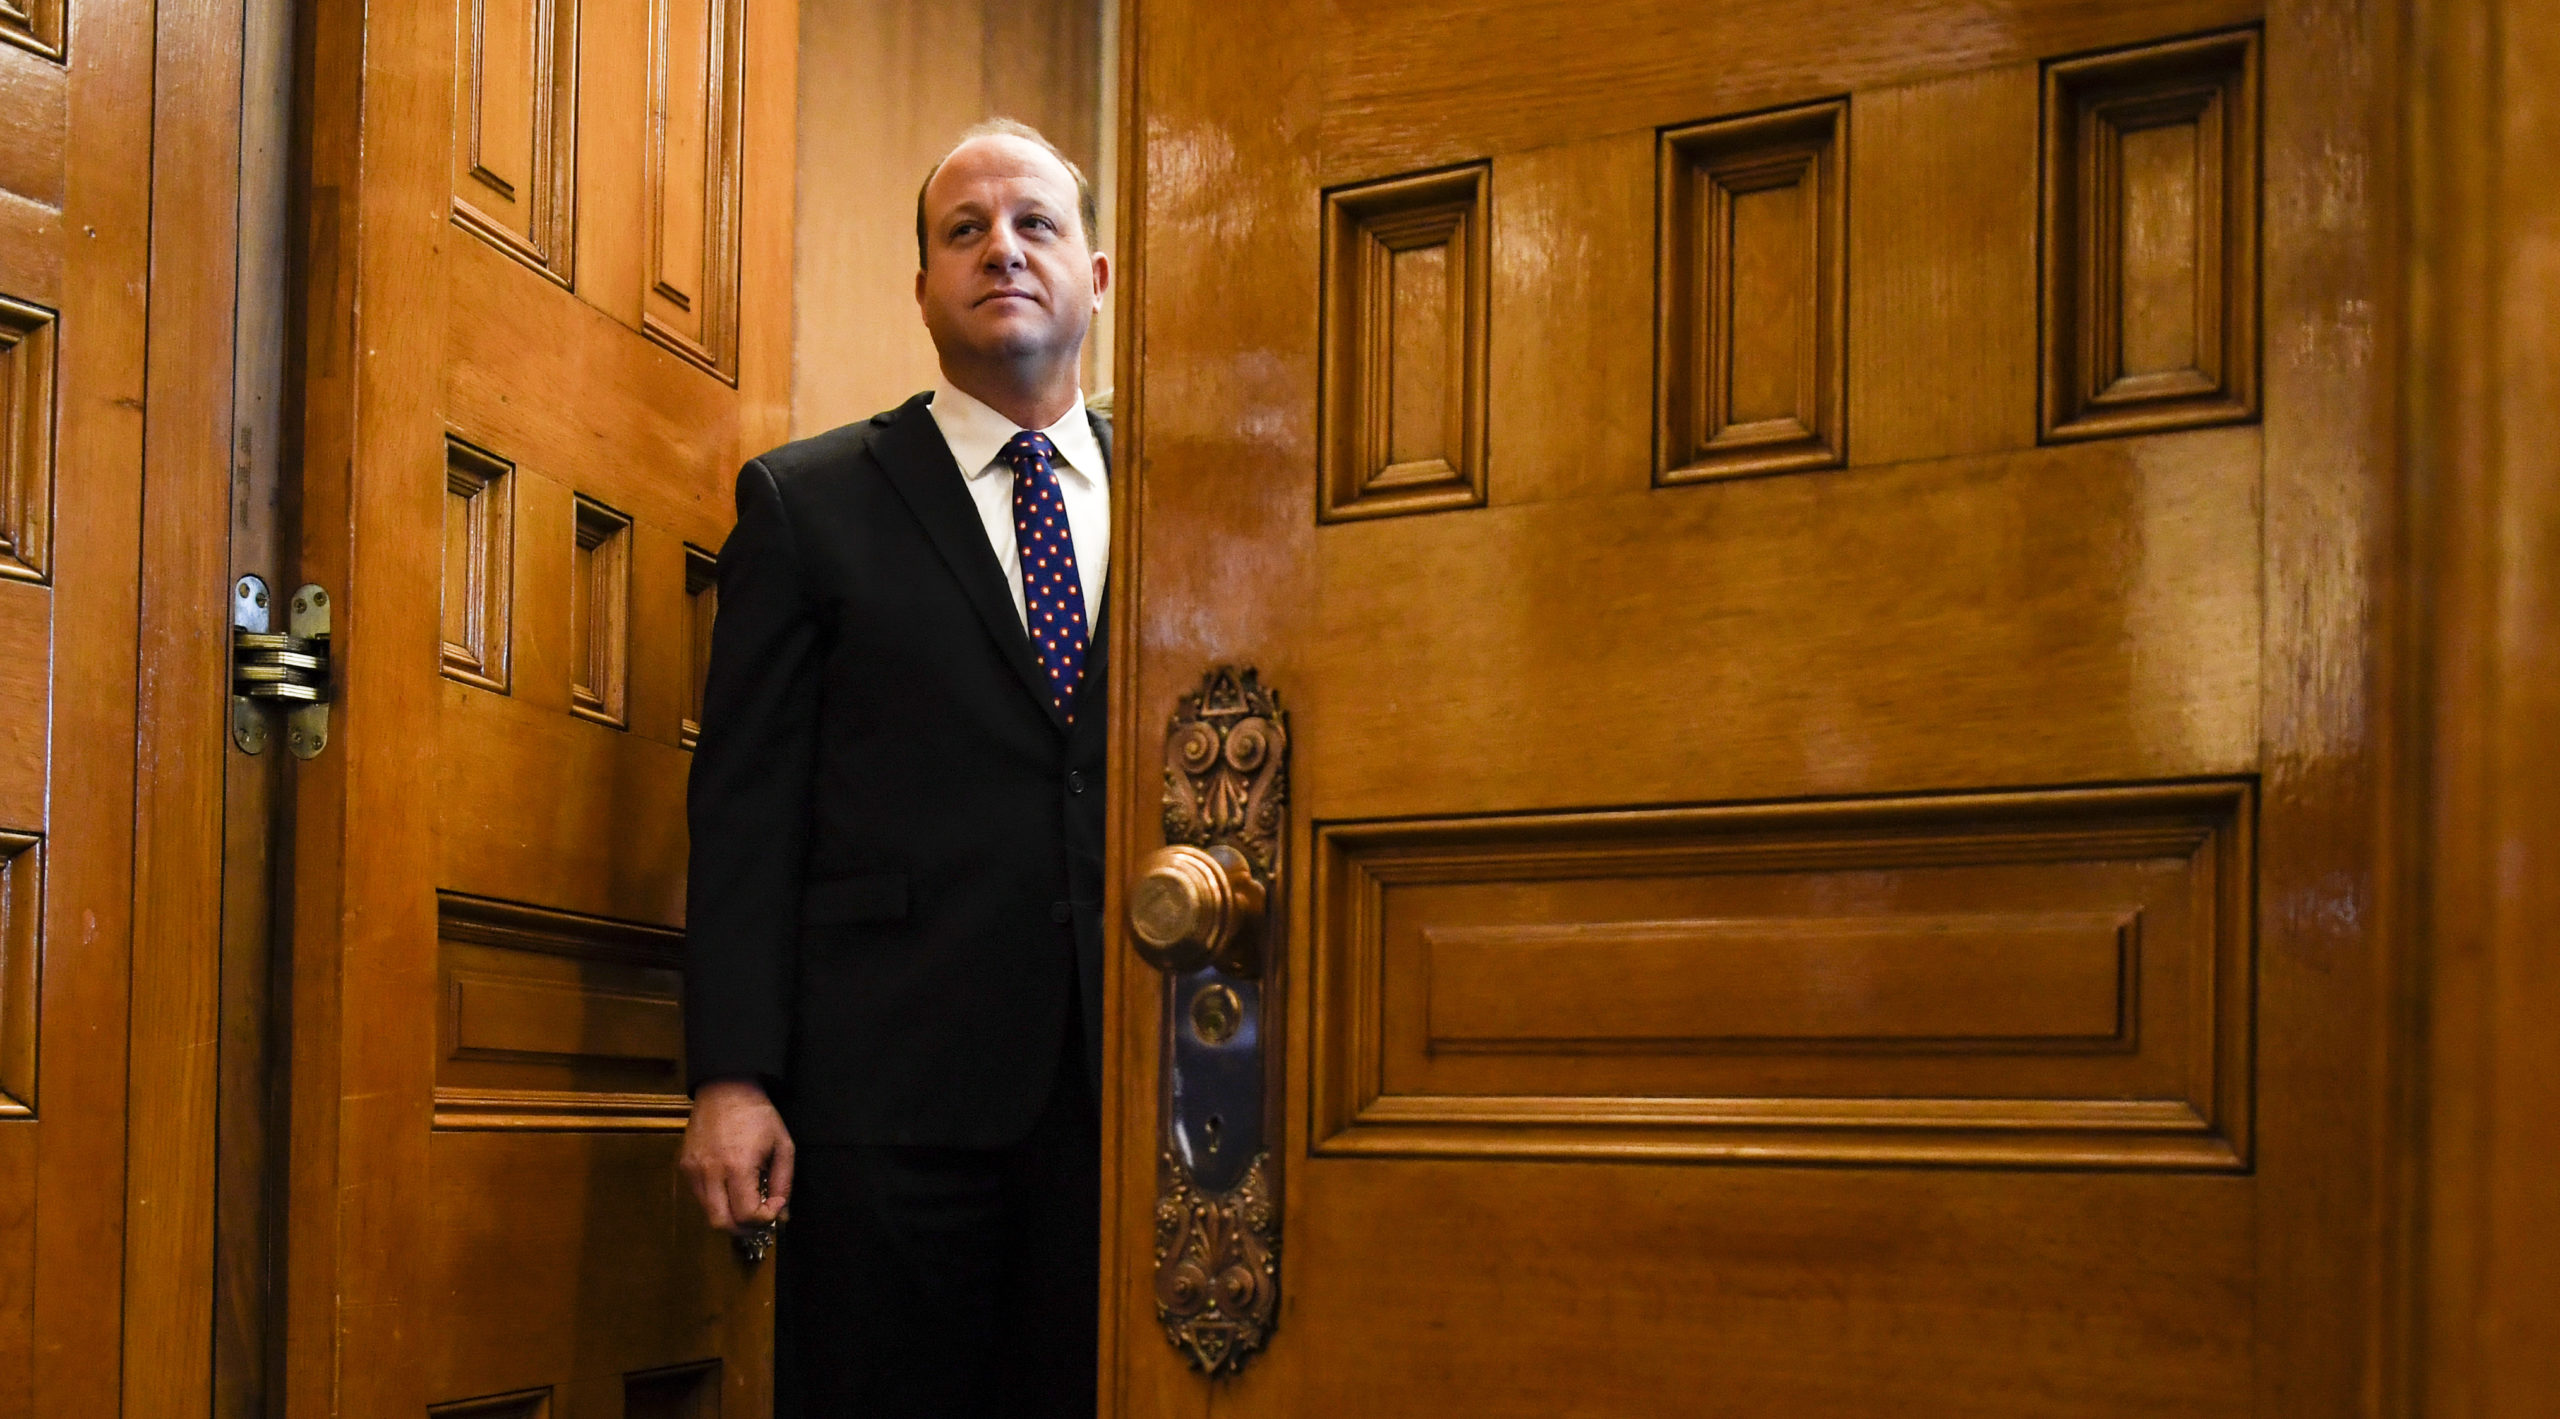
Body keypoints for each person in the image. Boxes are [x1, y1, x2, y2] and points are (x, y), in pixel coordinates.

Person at [677, 117, 1113, 1418]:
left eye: (1035, 223)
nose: (1002, 250)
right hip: (889, 1101)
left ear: (1098, 275)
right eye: (963, 230)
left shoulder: (1195, 495)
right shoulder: (808, 505)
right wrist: (732, 1075)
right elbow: (745, 809)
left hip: (1134, 1090)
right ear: (922, 285)